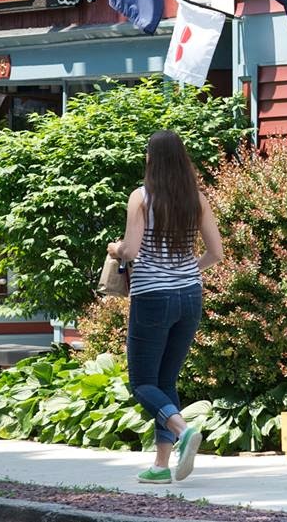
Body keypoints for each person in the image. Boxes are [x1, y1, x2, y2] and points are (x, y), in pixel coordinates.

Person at [107, 130, 224, 484]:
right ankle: (160, 466)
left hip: (153, 298)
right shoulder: (197, 199)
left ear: (150, 159)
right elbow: (216, 254)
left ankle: (184, 430)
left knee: (142, 383)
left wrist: (115, 249)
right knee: (166, 381)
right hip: (190, 295)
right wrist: (185, 272)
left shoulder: (141, 198)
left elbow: (130, 250)